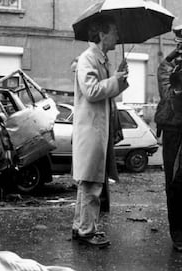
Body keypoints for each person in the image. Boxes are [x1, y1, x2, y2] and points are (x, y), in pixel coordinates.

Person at [71, 15, 129, 247]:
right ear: (103, 34)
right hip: (91, 130)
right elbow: (92, 91)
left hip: (96, 130)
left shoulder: (100, 59)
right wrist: (115, 79)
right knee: (91, 183)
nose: (118, 36)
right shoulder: (88, 59)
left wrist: (120, 79)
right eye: (114, 31)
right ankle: (86, 231)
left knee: (88, 182)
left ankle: (80, 227)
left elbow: (105, 92)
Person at [155, 23, 182, 252]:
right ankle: (178, 234)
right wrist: (180, 81)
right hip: (173, 130)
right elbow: (169, 96)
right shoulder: (166, 66)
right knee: (174, 184)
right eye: (180, 43)